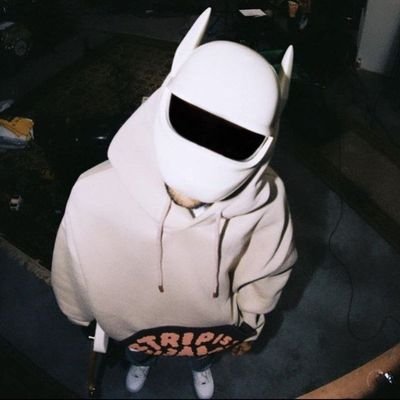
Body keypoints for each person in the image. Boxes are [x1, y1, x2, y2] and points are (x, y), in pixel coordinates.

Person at [51, 8, 297, 399]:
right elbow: (72, 262)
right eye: (193, 121)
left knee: (201, 354)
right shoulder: (94, 193)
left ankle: (199, 364)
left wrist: (249, 324)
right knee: (137, 350)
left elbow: (269, 268)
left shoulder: (266, 201)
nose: (206, 150)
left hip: (208, 324)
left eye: (233, 139)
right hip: (131, 320)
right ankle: (142, 361)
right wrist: (79, 313)